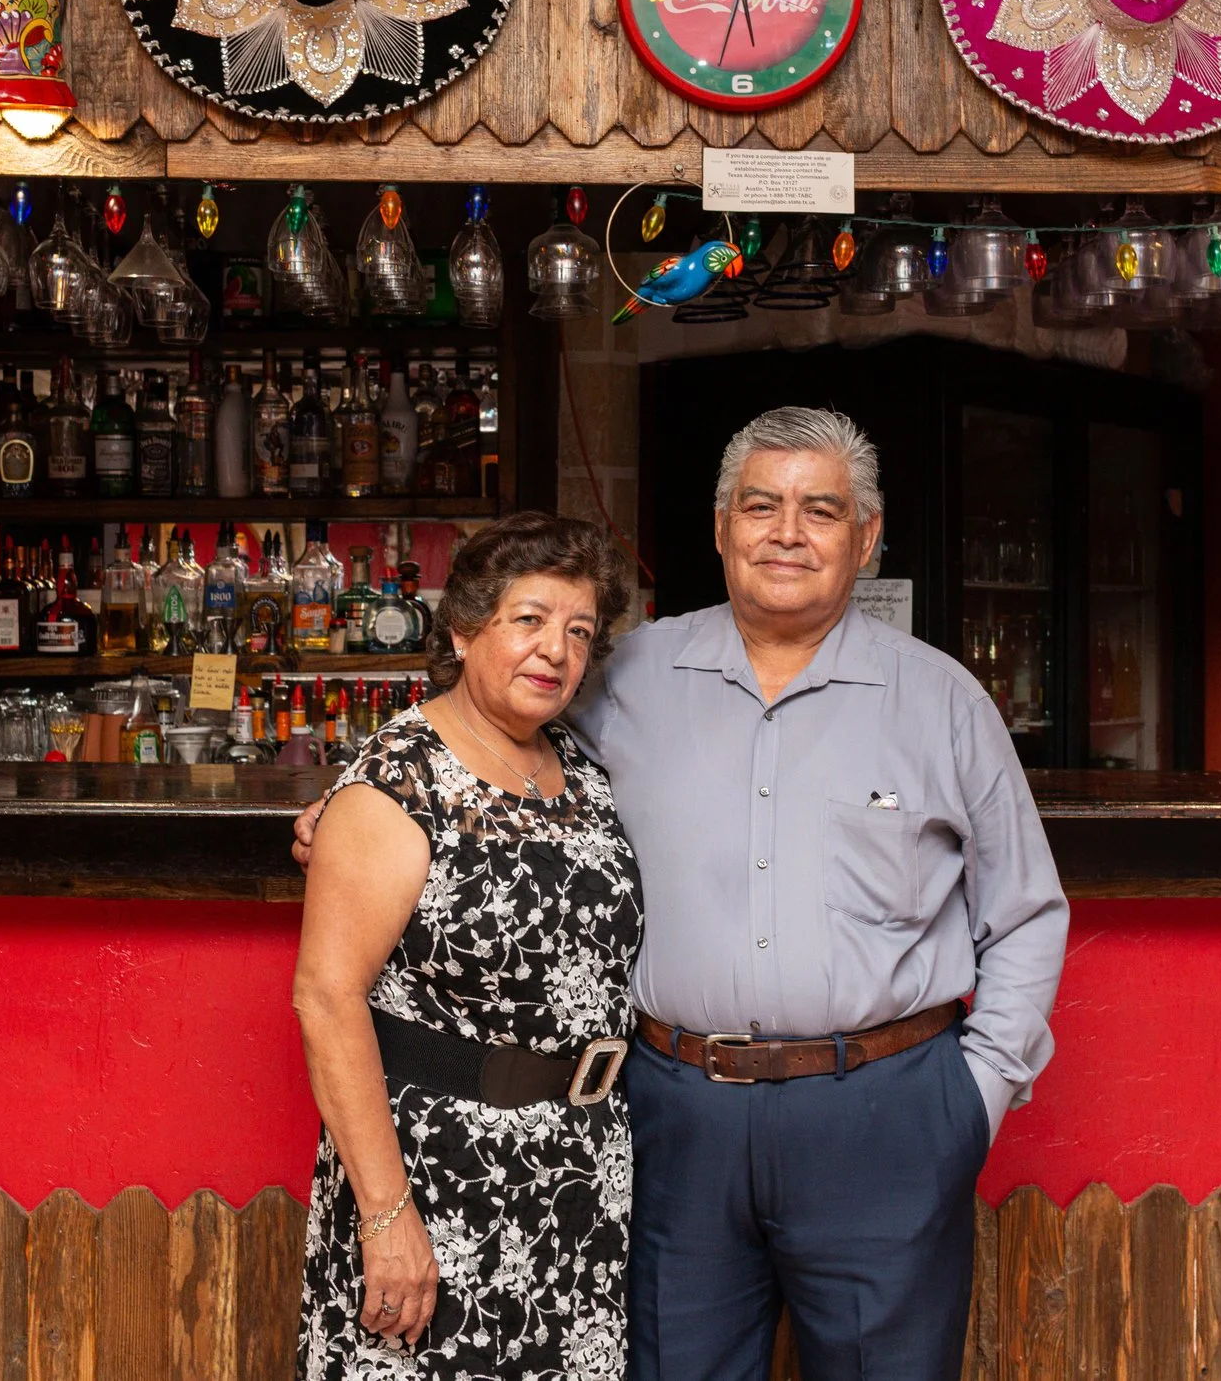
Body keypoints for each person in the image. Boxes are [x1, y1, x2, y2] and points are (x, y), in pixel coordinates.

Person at [298, 406, 1067, 1381]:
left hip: (883, 1112)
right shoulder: (626, 674)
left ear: (866, 537)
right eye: (760, 504)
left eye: (820, 509)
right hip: (676, 1120)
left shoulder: (944, 699)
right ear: (719, 526)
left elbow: (1027, 909)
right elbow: (485, 718)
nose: (786, 530)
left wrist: (973, 1097)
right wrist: (357, 792)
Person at [291, 510, 639, 1380]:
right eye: (528, 619)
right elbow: (326, 999)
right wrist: (385, 1215)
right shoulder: (398, 776)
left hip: (576, 1179)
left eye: (579, 631)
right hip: (439, 1181)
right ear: (463, 626)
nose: (554, 649)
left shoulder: (581, 771)